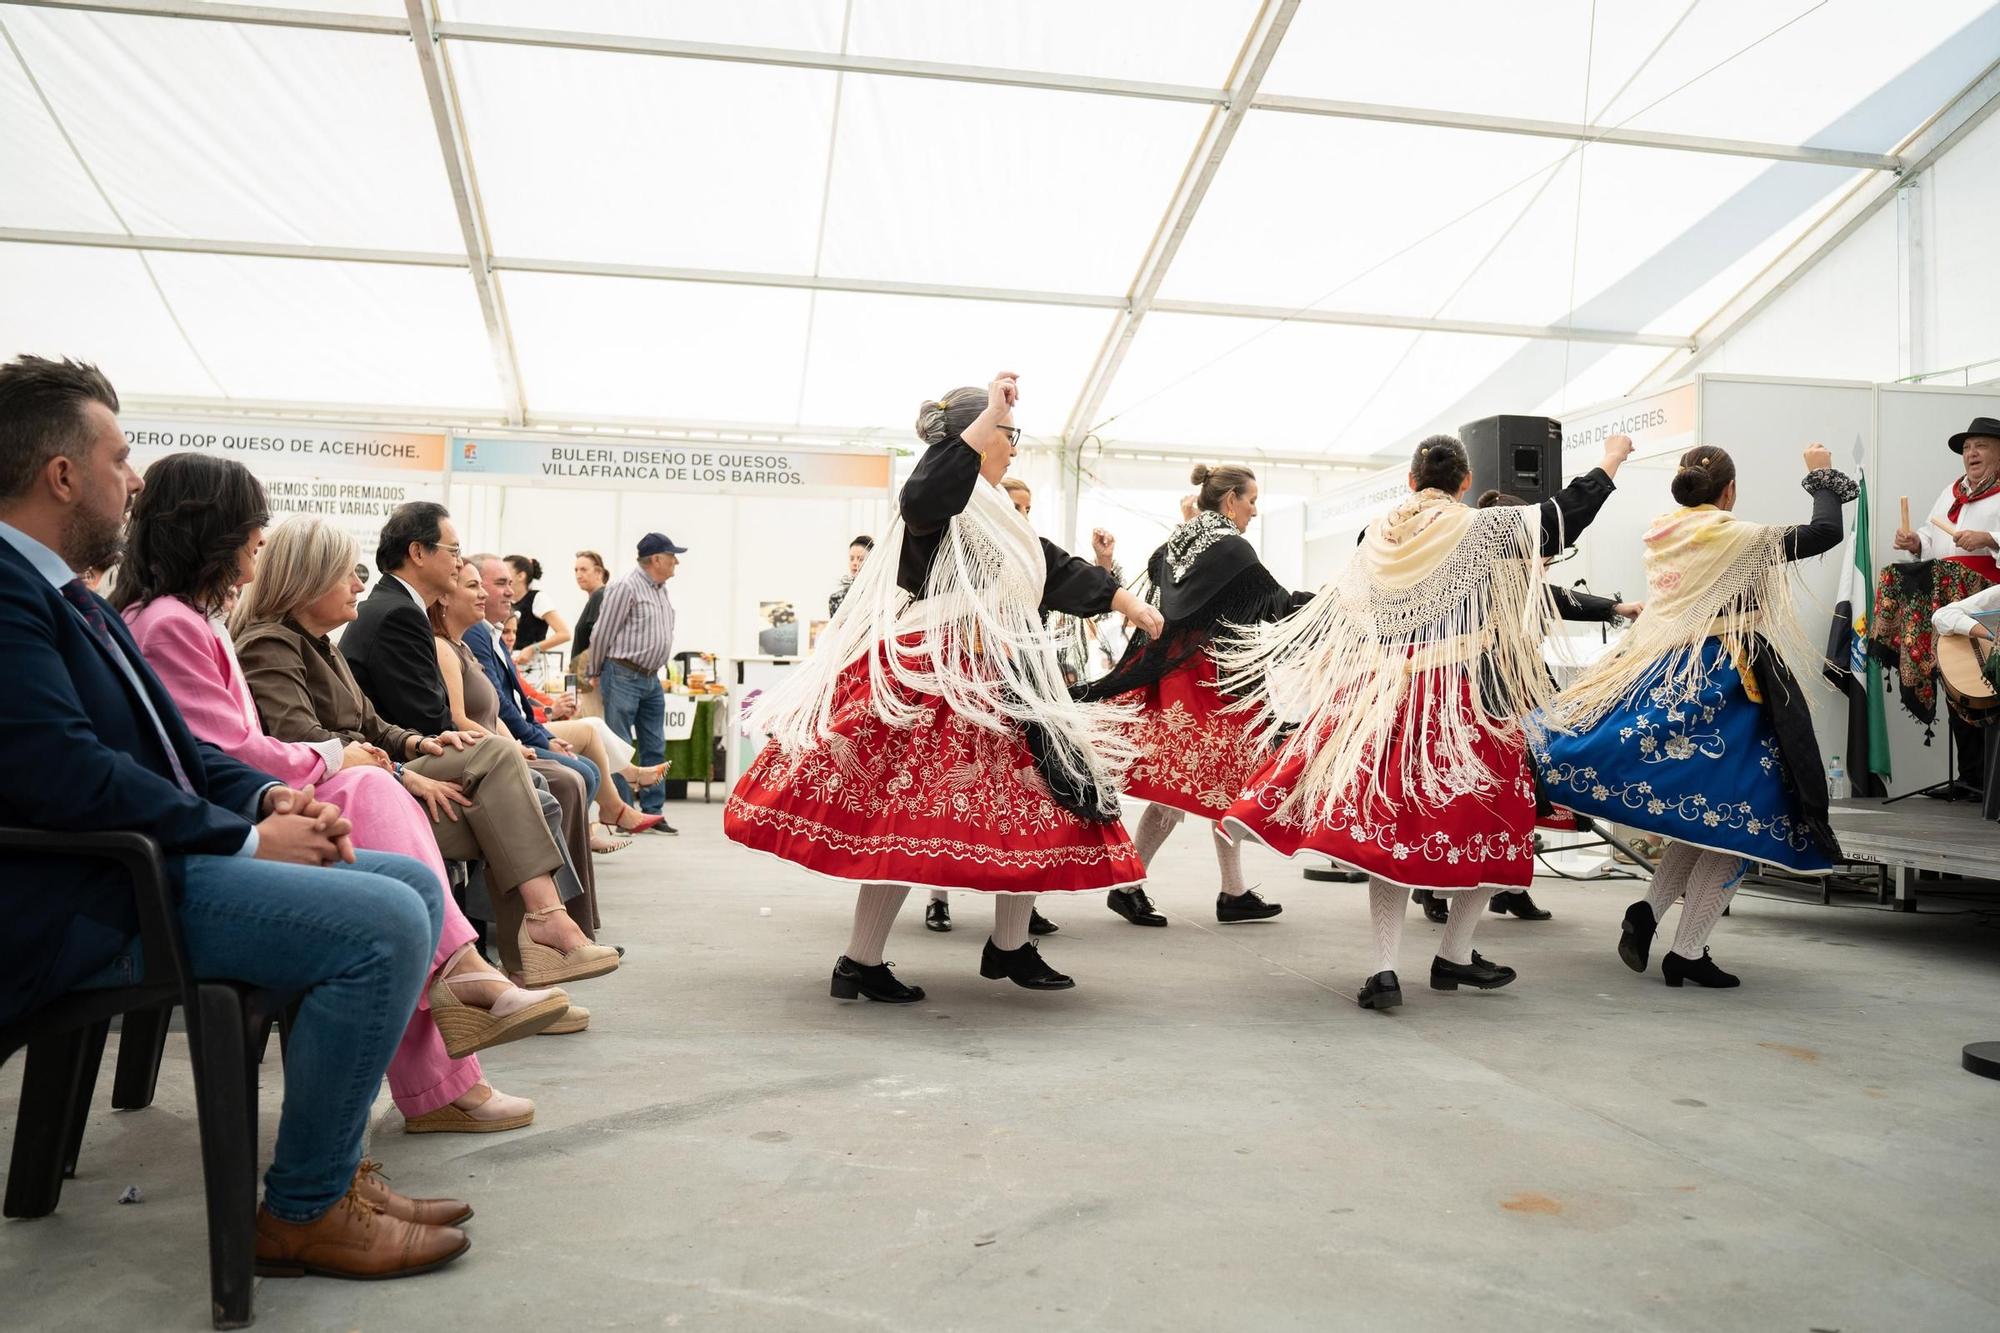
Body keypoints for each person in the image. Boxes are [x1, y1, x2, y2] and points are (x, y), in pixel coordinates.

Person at [0, 354, 471, 1278]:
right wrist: (249, 838)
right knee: (377, 925)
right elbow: (59, 772)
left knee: (411, 885)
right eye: (120, 457)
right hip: (89, 900)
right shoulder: (14, 593)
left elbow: (178, 748)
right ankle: (303, 1209)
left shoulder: (63, 594)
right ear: (62, 474)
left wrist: (268, 795)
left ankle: (328, 1177)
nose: (133, 481)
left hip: (132, 873)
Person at [115, 453, 564, 1133]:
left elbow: (308, 735)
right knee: (382, 852)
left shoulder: (202, 622)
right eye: (252, 543)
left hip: (242, 813)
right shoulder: (184, 624)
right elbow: (230, 753)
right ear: (213, 535)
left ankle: (468, 980)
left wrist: (390, 751)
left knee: (388, 820)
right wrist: (343, 759)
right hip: (218, 836)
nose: (254, 561)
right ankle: (469, 987)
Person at [725, 372, 1164, 1000]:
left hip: (1000, 677)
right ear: (974, 436)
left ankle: (1009, 946)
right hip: (936, 676)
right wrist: (986, 417)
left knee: (1037, 804)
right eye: (1008, 435)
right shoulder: (940, 501)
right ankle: (861, 960)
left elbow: (1048, 568)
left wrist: (1123, 599)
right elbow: (926, 494)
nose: (1014, 446)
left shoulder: (995, 515)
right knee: (902, 823)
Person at [1220, 431, 1632, 1012]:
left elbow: (1347, 609)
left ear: (1410, 481)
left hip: (1380, 696)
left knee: (1391, 827)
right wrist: (1610, 460)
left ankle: (1387, 969)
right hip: (1454, 700)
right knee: (1505, 819)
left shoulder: (1374, 536)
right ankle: (1453, 953)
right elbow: (1564, 516)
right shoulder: (1479, 530)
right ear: (1464, 483)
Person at [241, 506, 616, 989]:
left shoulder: (319, 645)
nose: (359, 585)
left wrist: (420, 742)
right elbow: (307, 741)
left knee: (514, 804)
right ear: (307, 581)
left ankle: (528, 963)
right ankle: (535, 946)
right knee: (507, 783)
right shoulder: (270, 644)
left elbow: (375, 725)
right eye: (347, 575)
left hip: (372, 780)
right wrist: (402, 770)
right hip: (346, 800)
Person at [1537, 444, 1852, 989]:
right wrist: (1820, 473)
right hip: (1730, 683)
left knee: (1706, 814)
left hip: (1674, 674)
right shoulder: (1735, 536)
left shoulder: (1663, 532)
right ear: (1729, 491)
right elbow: (1824, 533)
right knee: (1744, 819)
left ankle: (1649, 913)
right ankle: (1685, 951)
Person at [1077, 463, 1303, 930]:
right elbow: (1276, 604)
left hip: (1179, 675)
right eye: (1252, 501)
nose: (1254, 512)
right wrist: (1335, 606)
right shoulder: (1232, 548)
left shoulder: (1175, 544)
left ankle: (1233, 891)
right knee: (1182, 788)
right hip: (1208, 678)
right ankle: (1127, 883)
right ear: (1230, 500)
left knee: (1219, 780)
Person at [467, 553, 618, 879]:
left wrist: (545, 725)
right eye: (500, 584)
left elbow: (514, 702)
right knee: (584, 755)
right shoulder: (480, 635)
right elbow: (498, 708)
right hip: (503, 740)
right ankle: (603, 819)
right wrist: (543, 732)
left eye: (584, 570)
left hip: (518, 730)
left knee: (589, 745)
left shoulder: (494, 632)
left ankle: (608, 812)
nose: (509, 592)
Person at [1888, 417, 2000, 791]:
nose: (1971, 453)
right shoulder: (1951, 492)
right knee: (1956, 684)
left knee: (1987, 685)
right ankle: (1969, 778)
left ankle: (1990, 780)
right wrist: (1914, 542)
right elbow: (1932, 535)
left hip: (1987, 600)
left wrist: (1990, 538)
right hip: (1947, 599)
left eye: (1981, 445)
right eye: (1967, 447)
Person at [588, 532, 684, 829]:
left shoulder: (660, 588)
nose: (676, 562)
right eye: (672, 557)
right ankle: (623, 814)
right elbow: (603, 632)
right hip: (622, 674)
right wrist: (593, 670)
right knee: (620, 747)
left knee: (655, 744)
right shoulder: (625, 587)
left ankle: (653, 811)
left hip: (650, 678)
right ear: (656, 559)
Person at [507, 554, 569, 665]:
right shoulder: (506, 601)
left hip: (533, 668)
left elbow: (564, 634)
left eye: (506, 571)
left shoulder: (538, 598)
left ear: (521, 576)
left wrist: (532, 649)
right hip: (511, 663)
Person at [571, 549, 610, 718]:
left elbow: (600, 638)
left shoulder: (600, 596)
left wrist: (593, 671)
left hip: (589, 679)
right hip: (584, 677)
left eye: (584, 570)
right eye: (576, 570)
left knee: (593, 725)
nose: (579, 575)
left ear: (599, 572)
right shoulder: (597, 597)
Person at [830, 535, 874, 616]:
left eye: (860, 559)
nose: (855, 563)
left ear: (871, 561)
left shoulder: (878, 598)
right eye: (851, 558)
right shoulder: (836, 599)